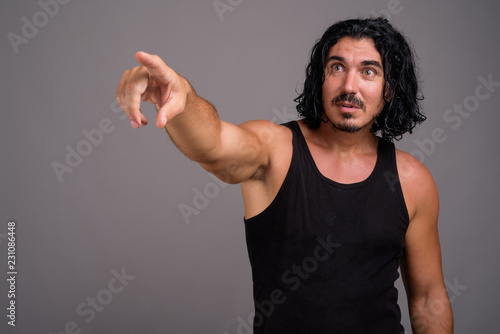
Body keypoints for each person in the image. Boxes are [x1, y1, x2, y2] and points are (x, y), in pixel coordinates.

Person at [116, 17, 453, 334]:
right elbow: (214, 144)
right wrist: (181, 96)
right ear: (321, 79)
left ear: (389, 89)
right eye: (337, 67)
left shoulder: (412, 179)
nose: (349, 85)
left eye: (368, 72)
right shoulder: (274, 150)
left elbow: (427, 298)